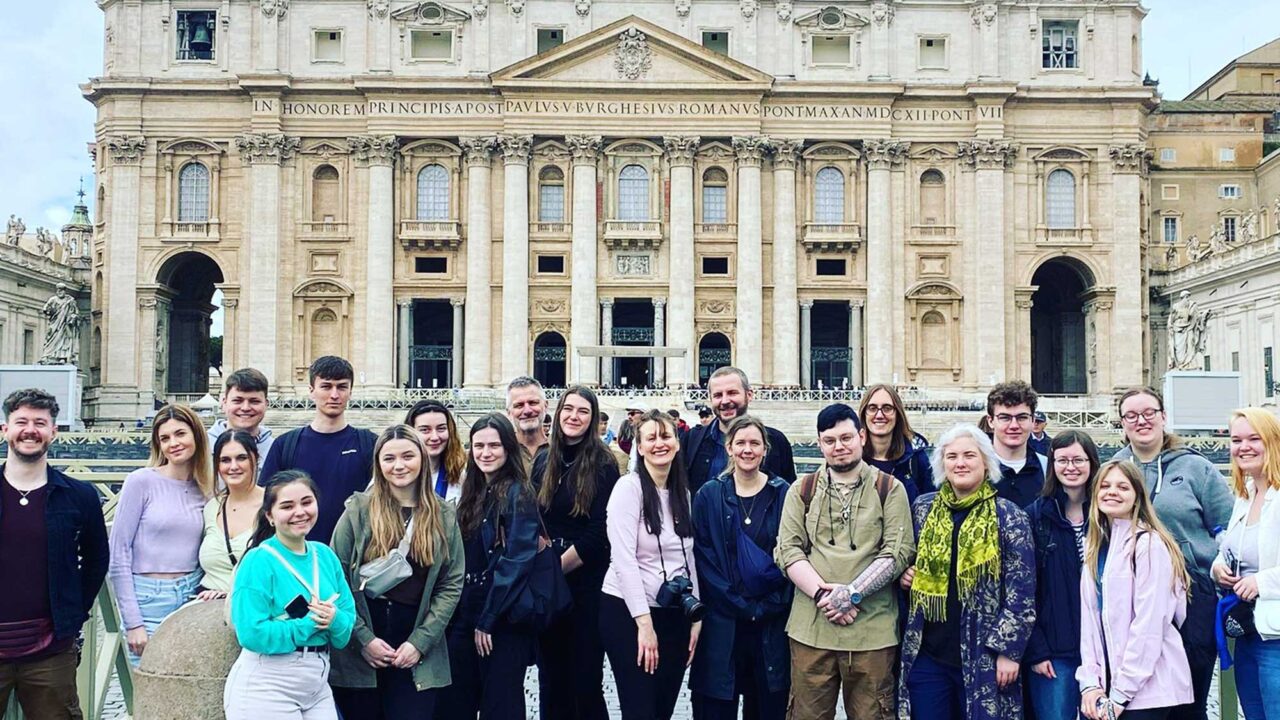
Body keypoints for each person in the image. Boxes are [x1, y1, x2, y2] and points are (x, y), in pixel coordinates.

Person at [773, 403, 914, 720]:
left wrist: (852, 594)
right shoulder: (802, 489)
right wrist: (825, 595)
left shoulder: (889, 489)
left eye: (846, 438)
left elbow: (897, 552)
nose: (839, 446)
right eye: (830, 440)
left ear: (862, 437)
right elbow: (788, 550)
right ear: (819, 444)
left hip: (872, 632)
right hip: (811, 630)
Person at [898, 424, 1037, 720]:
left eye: (969, 455)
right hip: (929, 654)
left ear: (986, 462)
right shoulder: (922, 509)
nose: (960, 463)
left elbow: (1022, 591)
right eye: (952, 457)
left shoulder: (1009, 516)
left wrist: (1008, 651)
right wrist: (906, 574)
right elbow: (905, 559)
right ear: (942, 465)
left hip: (984, 654)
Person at [1110, 386, 1232, 719]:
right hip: (1133, 599)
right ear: (1122, 423)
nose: (1141, 421)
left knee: (1189, 703)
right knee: (1142, 702)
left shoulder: (1196, 468)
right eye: (1131, 415)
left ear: (1163, 416)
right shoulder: (1113, 469)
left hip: (1192, 598)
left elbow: (1226, 528)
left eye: (1148, 412)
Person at [330, 425, 465, 720]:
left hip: (416, 637)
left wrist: (420, 642)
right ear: (378, 464)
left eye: (407, 456)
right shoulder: (358, 509)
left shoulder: (443, 515)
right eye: (389, 458)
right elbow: (335, 576)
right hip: (364, 636)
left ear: (422, 458)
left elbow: (451, 583)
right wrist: (363, 639)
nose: (399, 465)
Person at [0, 389, 108, 717]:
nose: (30, 430)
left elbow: (97, 560)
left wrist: (74, 613)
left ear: (53, 431)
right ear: (5, 429)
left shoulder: (81, 495)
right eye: (21, 422)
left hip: (51, 651)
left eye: (40, 423)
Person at [224, 470, 356, 720]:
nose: (300, 512)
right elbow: (251, 632)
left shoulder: (325, 555)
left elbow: (346, 624)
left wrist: (334, 619)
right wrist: (308, 625)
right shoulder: (258, 560)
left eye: (307, 502)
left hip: (317, 681)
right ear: (270, 516)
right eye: (287, 506)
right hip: (268, 683)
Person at [438, 413, 541, 720]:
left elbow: (517, 561)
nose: (485, 453)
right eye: (478, 446)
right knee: (456, 701)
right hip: (467, 609)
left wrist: (488, 618)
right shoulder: (472, 492)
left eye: (494, 446)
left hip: (501, 616)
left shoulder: (518, 492)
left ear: (508, 448)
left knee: (501, 703)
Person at [601, 409, 702, 720]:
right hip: (628, 612)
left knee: (663, 708)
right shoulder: (627, 489)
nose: (660, 444)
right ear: (640, 447)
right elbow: (623, 560)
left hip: (674, 610)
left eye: (666, 436)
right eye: (651, 438)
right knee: (640, 708)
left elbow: (688, 557)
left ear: (677, 443)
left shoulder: (683, 493)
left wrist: (696, 617)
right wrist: (644, 626)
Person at [690, 415, 793, 720]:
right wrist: (742, 606)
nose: (748, 450)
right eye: (741, 443)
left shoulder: (784, 493)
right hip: (723, 623)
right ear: (729, 448)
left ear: (765, 449)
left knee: (767, 707)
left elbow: (794, 553)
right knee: (716, 707)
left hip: (771, 624)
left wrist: (768, 606)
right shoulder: (709, 495)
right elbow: (704, 559)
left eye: (755, 443)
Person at [531, 386, 621, 720]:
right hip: (549, 586)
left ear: (593, 418)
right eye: (568, 409)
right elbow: (533, 519)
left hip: (585, 586)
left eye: (583, 411)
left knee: (585, 680)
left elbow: (598, 534)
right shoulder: (544, 459)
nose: (573, 416)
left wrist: (553, 570)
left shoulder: (604, 464)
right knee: (550, 679)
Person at [1078, 460, 1193, 720]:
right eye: (1105, 486)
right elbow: (1090, 622)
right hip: (1107, 685)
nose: (1112, 492)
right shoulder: (1095, 547)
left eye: (1123, 487)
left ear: (1137, 496)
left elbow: (1150, 624)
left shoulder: (1149, 544)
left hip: (1148, 689)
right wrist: (1090, 683)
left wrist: (1122, 693)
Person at [109, 404, 214, 665]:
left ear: (196, 436)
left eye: (180, 434)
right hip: (148, 600)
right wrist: (133, 622)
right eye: (164, 438)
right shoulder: (141, 481)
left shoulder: (208, 488)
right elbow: (119, 552)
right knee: (145, 683)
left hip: (193, 596)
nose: (173, 443)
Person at [1024, 430, 1101, 720]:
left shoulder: (1109, 513)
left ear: (1092, 463)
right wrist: (1036, 650)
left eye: (1078, 460)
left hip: (1105, 648)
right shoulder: (1035, 516)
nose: (1071, 467)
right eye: (1062, 460)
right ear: (1052, 464)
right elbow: (1023, 589)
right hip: (1054, 650)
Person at [260, 356, 378, 544]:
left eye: (342, 387)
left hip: (354, 551)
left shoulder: (370, 444)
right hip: (296, 552)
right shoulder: (284, 445)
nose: (334, 395)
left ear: (350, 392)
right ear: (311, 391)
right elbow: (266, 502)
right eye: (326, 386)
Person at [1211, 408, 1280, 718]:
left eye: (1254, 438)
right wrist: (1218, 568)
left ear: (1273, 441)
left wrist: (1260, 582)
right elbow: (1232, 549)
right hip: (1249, 630)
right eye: (1237, 440)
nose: (1244, 447)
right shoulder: (1245, 494)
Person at [684, 366, 796, 497]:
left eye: (732, 393)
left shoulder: (776, 441)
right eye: (718, 395)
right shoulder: (691, 440)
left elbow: (789, 497)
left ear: (749, 395)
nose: (725, 401)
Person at [195, 430, 264, 600]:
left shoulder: (274, 505)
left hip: (254, 603)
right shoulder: (212, 508)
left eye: (241, 458)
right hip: (208, 601)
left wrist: (230, 594)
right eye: (225, 460)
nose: (233, 466)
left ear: (255, 459)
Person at [858, 383, 934, 502]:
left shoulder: (916, 460)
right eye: (872, 408)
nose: (879, 415)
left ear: (898, 414)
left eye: (887, 408)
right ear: (864, 414)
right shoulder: (852, 459)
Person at [985, 381, 1049, 509]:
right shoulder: (974, 468)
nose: (1014, 425)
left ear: (1033, 420)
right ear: (991, 421)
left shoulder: (1049, 469)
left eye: (1022, 417)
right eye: (1005, 418)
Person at [207, 368, 275, 471]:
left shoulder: (277, 450)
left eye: (254, 401)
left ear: (266, 404)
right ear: (224, 403)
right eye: (237, 401)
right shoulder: (201, 446)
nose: (245, 408)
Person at [404, 400, 466, 504]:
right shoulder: (397, 475)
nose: (434, 437)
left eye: (441, 428)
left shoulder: (461, 477)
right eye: (425, 430)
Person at [505, 376, 549, 467]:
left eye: (533, 403)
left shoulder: (562, 449)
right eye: (519, 405)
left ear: (545, 406)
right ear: (509, 413)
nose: (527, 411)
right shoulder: (502, 451)